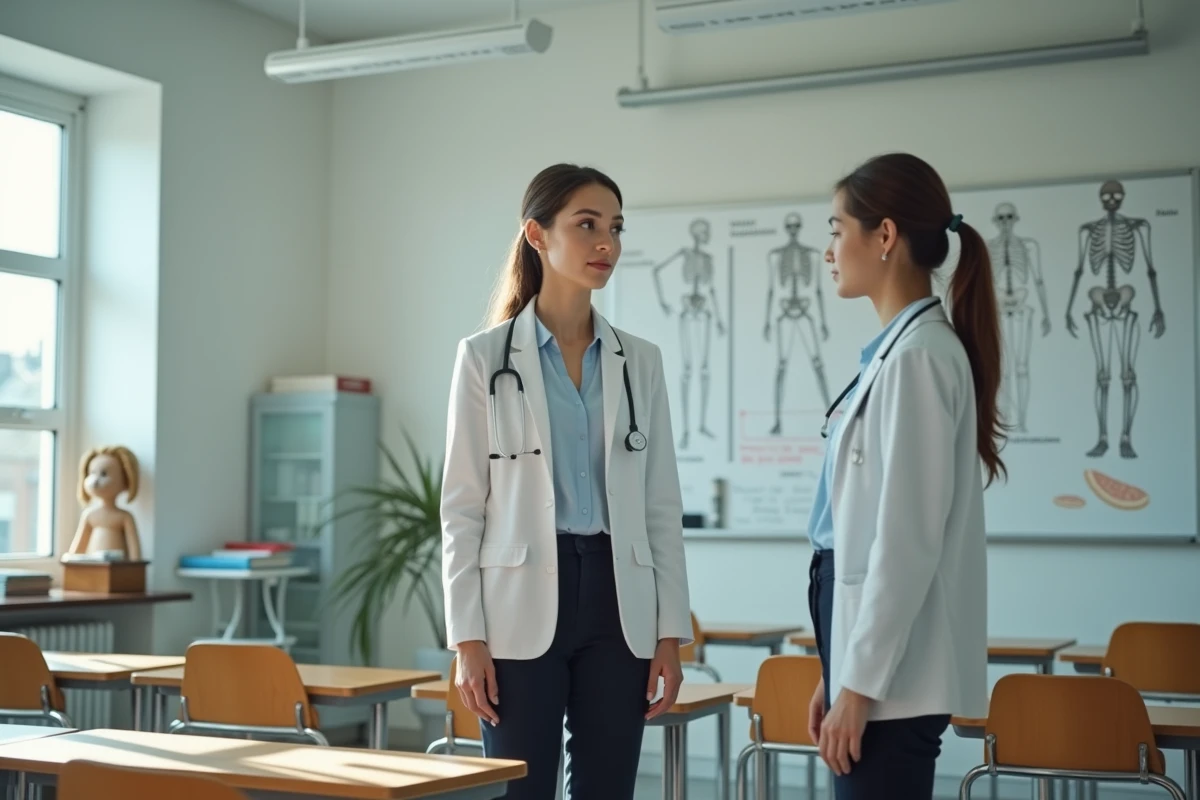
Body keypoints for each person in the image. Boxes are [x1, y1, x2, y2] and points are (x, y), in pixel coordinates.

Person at [439, 163, 693, 799]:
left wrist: (669, 631)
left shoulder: (642, 361)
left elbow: (662, 503)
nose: (606, 243)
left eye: (615, 228)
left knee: (607, 789)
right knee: (522, 789)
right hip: (518, 600)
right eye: (586, 225)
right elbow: (462, 508)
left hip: (618, 599)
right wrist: (467, 638)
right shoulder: (483, 357)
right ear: (537, 234)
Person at [805, 152, 1005, 798]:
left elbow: (906, 542)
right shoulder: (900, 353)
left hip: (889, 680)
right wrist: (835, 671)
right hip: (867, 662)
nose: (830, 249)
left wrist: (857, 686)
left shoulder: (918, 359)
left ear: (884, 236)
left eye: (838, 229)